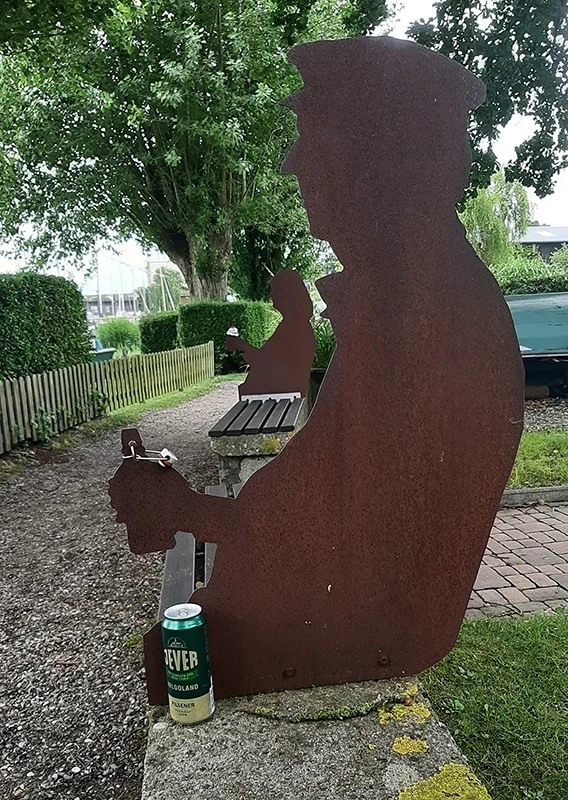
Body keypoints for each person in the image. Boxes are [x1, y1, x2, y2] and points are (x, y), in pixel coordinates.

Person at [110, 37, 524, 699]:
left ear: (380, 161)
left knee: (172, 658)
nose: (293, 161)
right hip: (352, 608)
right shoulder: (410, 302)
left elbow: (345, 535)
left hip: (366, 627)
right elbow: (325, 499)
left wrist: (190, 511)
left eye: (316, 138)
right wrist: (192, 511)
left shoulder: (425, 321)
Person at [225, 270, 316, 398]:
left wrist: (239, 344)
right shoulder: (292, 325)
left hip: (282, 396)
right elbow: (268, 359)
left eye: (274, 290)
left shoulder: (293, 328)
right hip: (283, 394)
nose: (270, 294)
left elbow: (263, 361)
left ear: (286, 294)